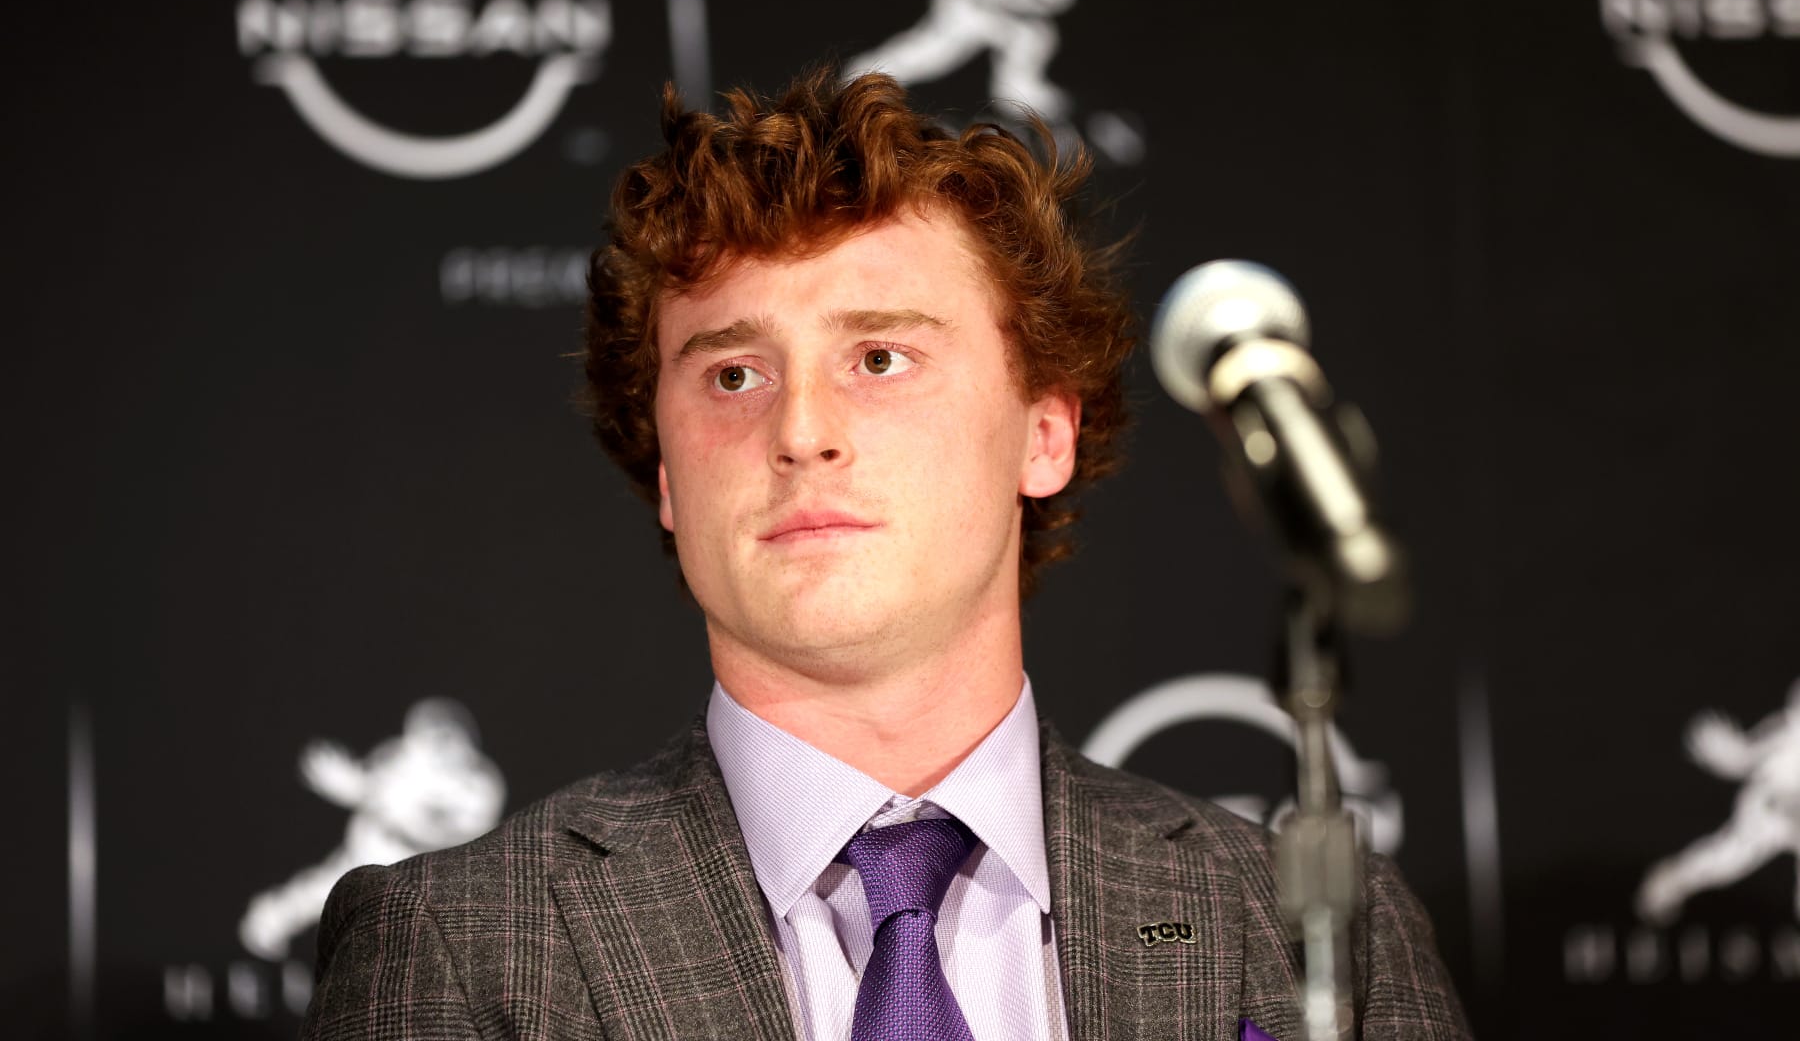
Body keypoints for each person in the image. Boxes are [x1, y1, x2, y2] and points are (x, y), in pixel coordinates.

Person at [301, 69, 1471, 1040]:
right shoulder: (465, 943)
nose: (800, 430)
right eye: (732, 374)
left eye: (880, 358)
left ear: (1043, 431)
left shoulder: (1312, 929)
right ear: (666, 472)